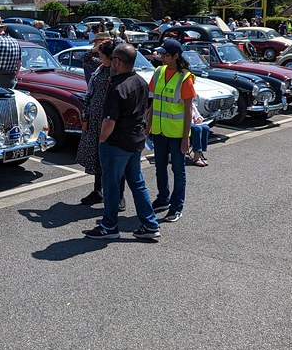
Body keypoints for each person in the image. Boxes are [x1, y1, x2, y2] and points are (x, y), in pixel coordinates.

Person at [85, 43, 162, 240]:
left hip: (116, 143)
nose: (111, 63)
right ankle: (150, 224)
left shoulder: (118, 87)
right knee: (137, 182)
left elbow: (109, 122)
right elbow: (146, 109)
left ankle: (109, 226)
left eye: (113, 59)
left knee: (111, 185)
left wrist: (102, 141)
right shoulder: (140, 82)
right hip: (135, 141)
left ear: (118, 61)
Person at [147, 38, 195, 223]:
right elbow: (154, 102)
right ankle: (163, 199)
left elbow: (188, 110)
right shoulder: (158, 72)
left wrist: (186, 137)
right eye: (161, 54)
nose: (162, 57)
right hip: (159, 132)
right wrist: (148, 125)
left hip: (176, 134)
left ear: (176, 56)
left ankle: (176, 207)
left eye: (165, 55)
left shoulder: (185, 77)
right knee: (159, 167)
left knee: (178, 170)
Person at [77, 40, 122, 209]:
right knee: (97, 156)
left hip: (108, 120)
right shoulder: (100, 67)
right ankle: (98, 191)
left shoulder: (116, 71)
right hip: (95, 119)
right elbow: (86, 58)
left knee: (113, 159)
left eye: (102, 56)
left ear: (111, 57)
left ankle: (119, 196)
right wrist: (96, 49)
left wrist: (112, 44)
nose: (99, 58)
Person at [187, 100, 210, 167]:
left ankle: (200, 153)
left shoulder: (192, 104)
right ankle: (196, 156)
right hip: (185, 123)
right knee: (197, 129)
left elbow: (197, 114)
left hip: (194, 123)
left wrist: (199, 118)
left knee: (206, 128)